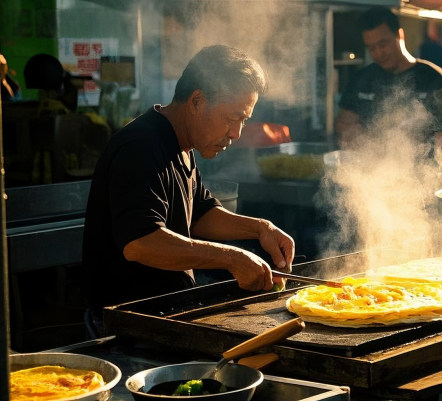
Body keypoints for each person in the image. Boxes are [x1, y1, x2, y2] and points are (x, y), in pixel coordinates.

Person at [81, 45, 295, 312]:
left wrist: (261, 228)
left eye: (244, 120)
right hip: (127, 320)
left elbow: (200, 214)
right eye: (233, 118)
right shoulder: (140, 145)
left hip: (170, 310)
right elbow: (140, 243)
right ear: (197, 101)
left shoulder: (182, 145)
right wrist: (232, 258)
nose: (237, 133)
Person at [335, 6, 442, 148]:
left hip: (425, 167)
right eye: (371, 48)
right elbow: (344, 121)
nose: (378, 53)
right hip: (373, 166)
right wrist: (353, 133)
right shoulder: (361, 79)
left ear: (399, 35)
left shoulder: (433, 78)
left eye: (382, 44)